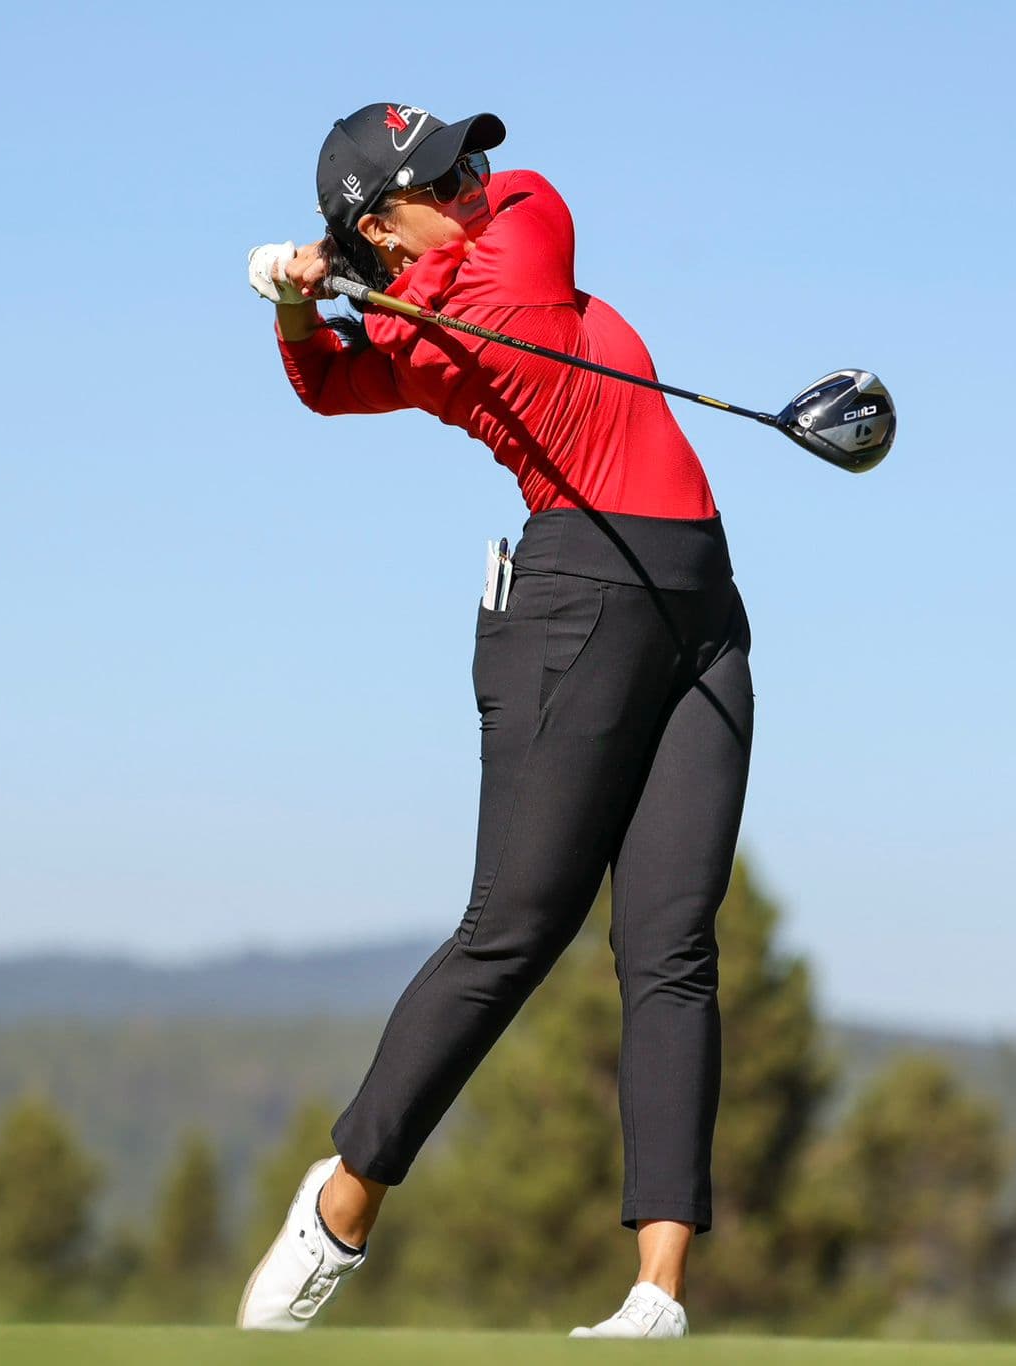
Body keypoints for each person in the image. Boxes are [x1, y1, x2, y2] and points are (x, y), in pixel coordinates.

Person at [235, 103, 754, 1341]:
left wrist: (340, 286)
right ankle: (342, 1202)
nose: (478, 179)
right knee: (513, 930)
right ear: (380, 216)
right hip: (576, 605)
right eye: (443, 176)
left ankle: (654, 1296)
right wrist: (309, 303)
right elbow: (327, 385)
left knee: (672, 946)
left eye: (466, 158)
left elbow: (530, 194)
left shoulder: (510, 245)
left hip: (702, 615)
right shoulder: (438, 329)